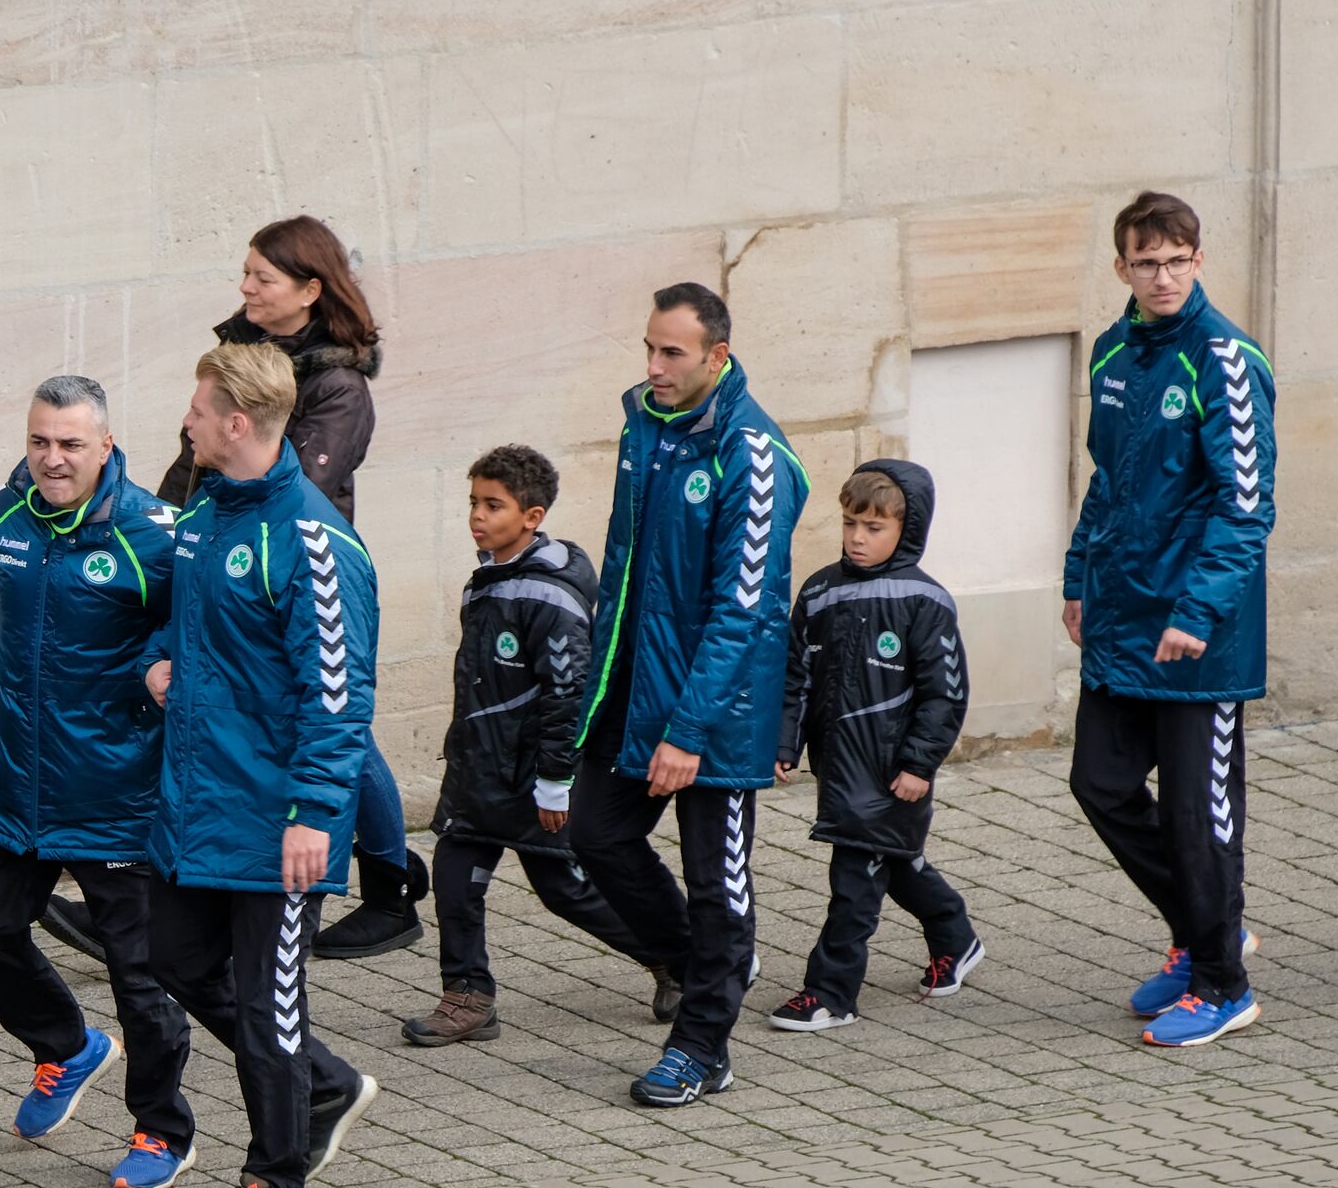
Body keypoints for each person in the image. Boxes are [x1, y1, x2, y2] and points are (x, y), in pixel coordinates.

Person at [48, 216, 430, 961]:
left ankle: (389, 888)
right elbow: (193, 459)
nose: (246, 287)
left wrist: (210, 539)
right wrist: (164, 528)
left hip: (277, 574)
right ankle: (156, 895)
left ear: (309, 290)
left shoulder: (337, 386)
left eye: (263, 276)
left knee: (334, 720)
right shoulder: (239, 351)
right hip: (212, 548)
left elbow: (284, 483)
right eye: (246, 272)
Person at [0, 376, 198, 1188]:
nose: (52, 459)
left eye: (70, 444)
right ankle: (66, 1047)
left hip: (115, 792)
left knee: (139, 977)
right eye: (39, 442)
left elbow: (192, 631)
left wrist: (154, 673)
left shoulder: (154, 535)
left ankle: (162, 1131)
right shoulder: (8, 512)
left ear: (105, 446)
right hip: (14, 783)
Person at [147, 343, 381, 1188]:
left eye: (197, 410)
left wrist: (313, 814)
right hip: (198, 807)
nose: (187, 422)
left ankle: (275, 1185)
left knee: (268, 1006)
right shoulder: (204, 514)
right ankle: (325, 1086)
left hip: (279, 822)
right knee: (176, 961)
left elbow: (337, 697)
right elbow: (176, 626)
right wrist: (155, 664)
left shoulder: (314, 543)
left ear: (236, 422)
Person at [569, 283, 807, 1109]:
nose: (654, 366)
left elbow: (744, 611)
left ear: (717, 356)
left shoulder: (753, 456)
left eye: (671, 352)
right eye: (648, 347)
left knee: (718, 886)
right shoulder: (645, 425)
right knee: (596, 835)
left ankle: (701, 1048)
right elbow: (625, 574)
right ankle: (703, 964)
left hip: (717, 714)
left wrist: (687, 730)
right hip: (634, 691)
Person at [1065, 191, 1277, 1048]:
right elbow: (1106, 480)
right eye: (1145, 263)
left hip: (1198, 638)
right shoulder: (1112, 351)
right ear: (1121, 267)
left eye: (1175, 261)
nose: (1161, 277)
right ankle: (1204, 929)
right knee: (1099, 784)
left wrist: (1197, 610)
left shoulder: (1225, 359)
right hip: (1121, 618)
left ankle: (1223, 982)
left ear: (1198, 260)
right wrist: (1078, 577)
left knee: (1198, 817)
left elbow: (1245, 506)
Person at [401, 444, 668, 1046]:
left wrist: (555, 780)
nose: (477, 515)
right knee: (455, 880)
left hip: (532, 778)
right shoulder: (486, 581)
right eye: (474, 502)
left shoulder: (550, 597)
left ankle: (671, 957)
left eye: (493, 505)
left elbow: (567, 695)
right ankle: (468, 997)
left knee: (565, 891)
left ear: (532, 516)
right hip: (480, 774)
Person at [768, 462, 984, 1033]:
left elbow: (945, 694)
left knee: (854, 883)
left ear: (906, 531)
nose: (858, 538)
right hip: (839, 765)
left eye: (874, 527)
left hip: (892, 773)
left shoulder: (924, 599)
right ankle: (956, 936)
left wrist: (919, 764)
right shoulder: (820, 592)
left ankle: (830, 994)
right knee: (894, 861)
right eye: (850, 524)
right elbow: (795, 676)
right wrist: (785, 742)